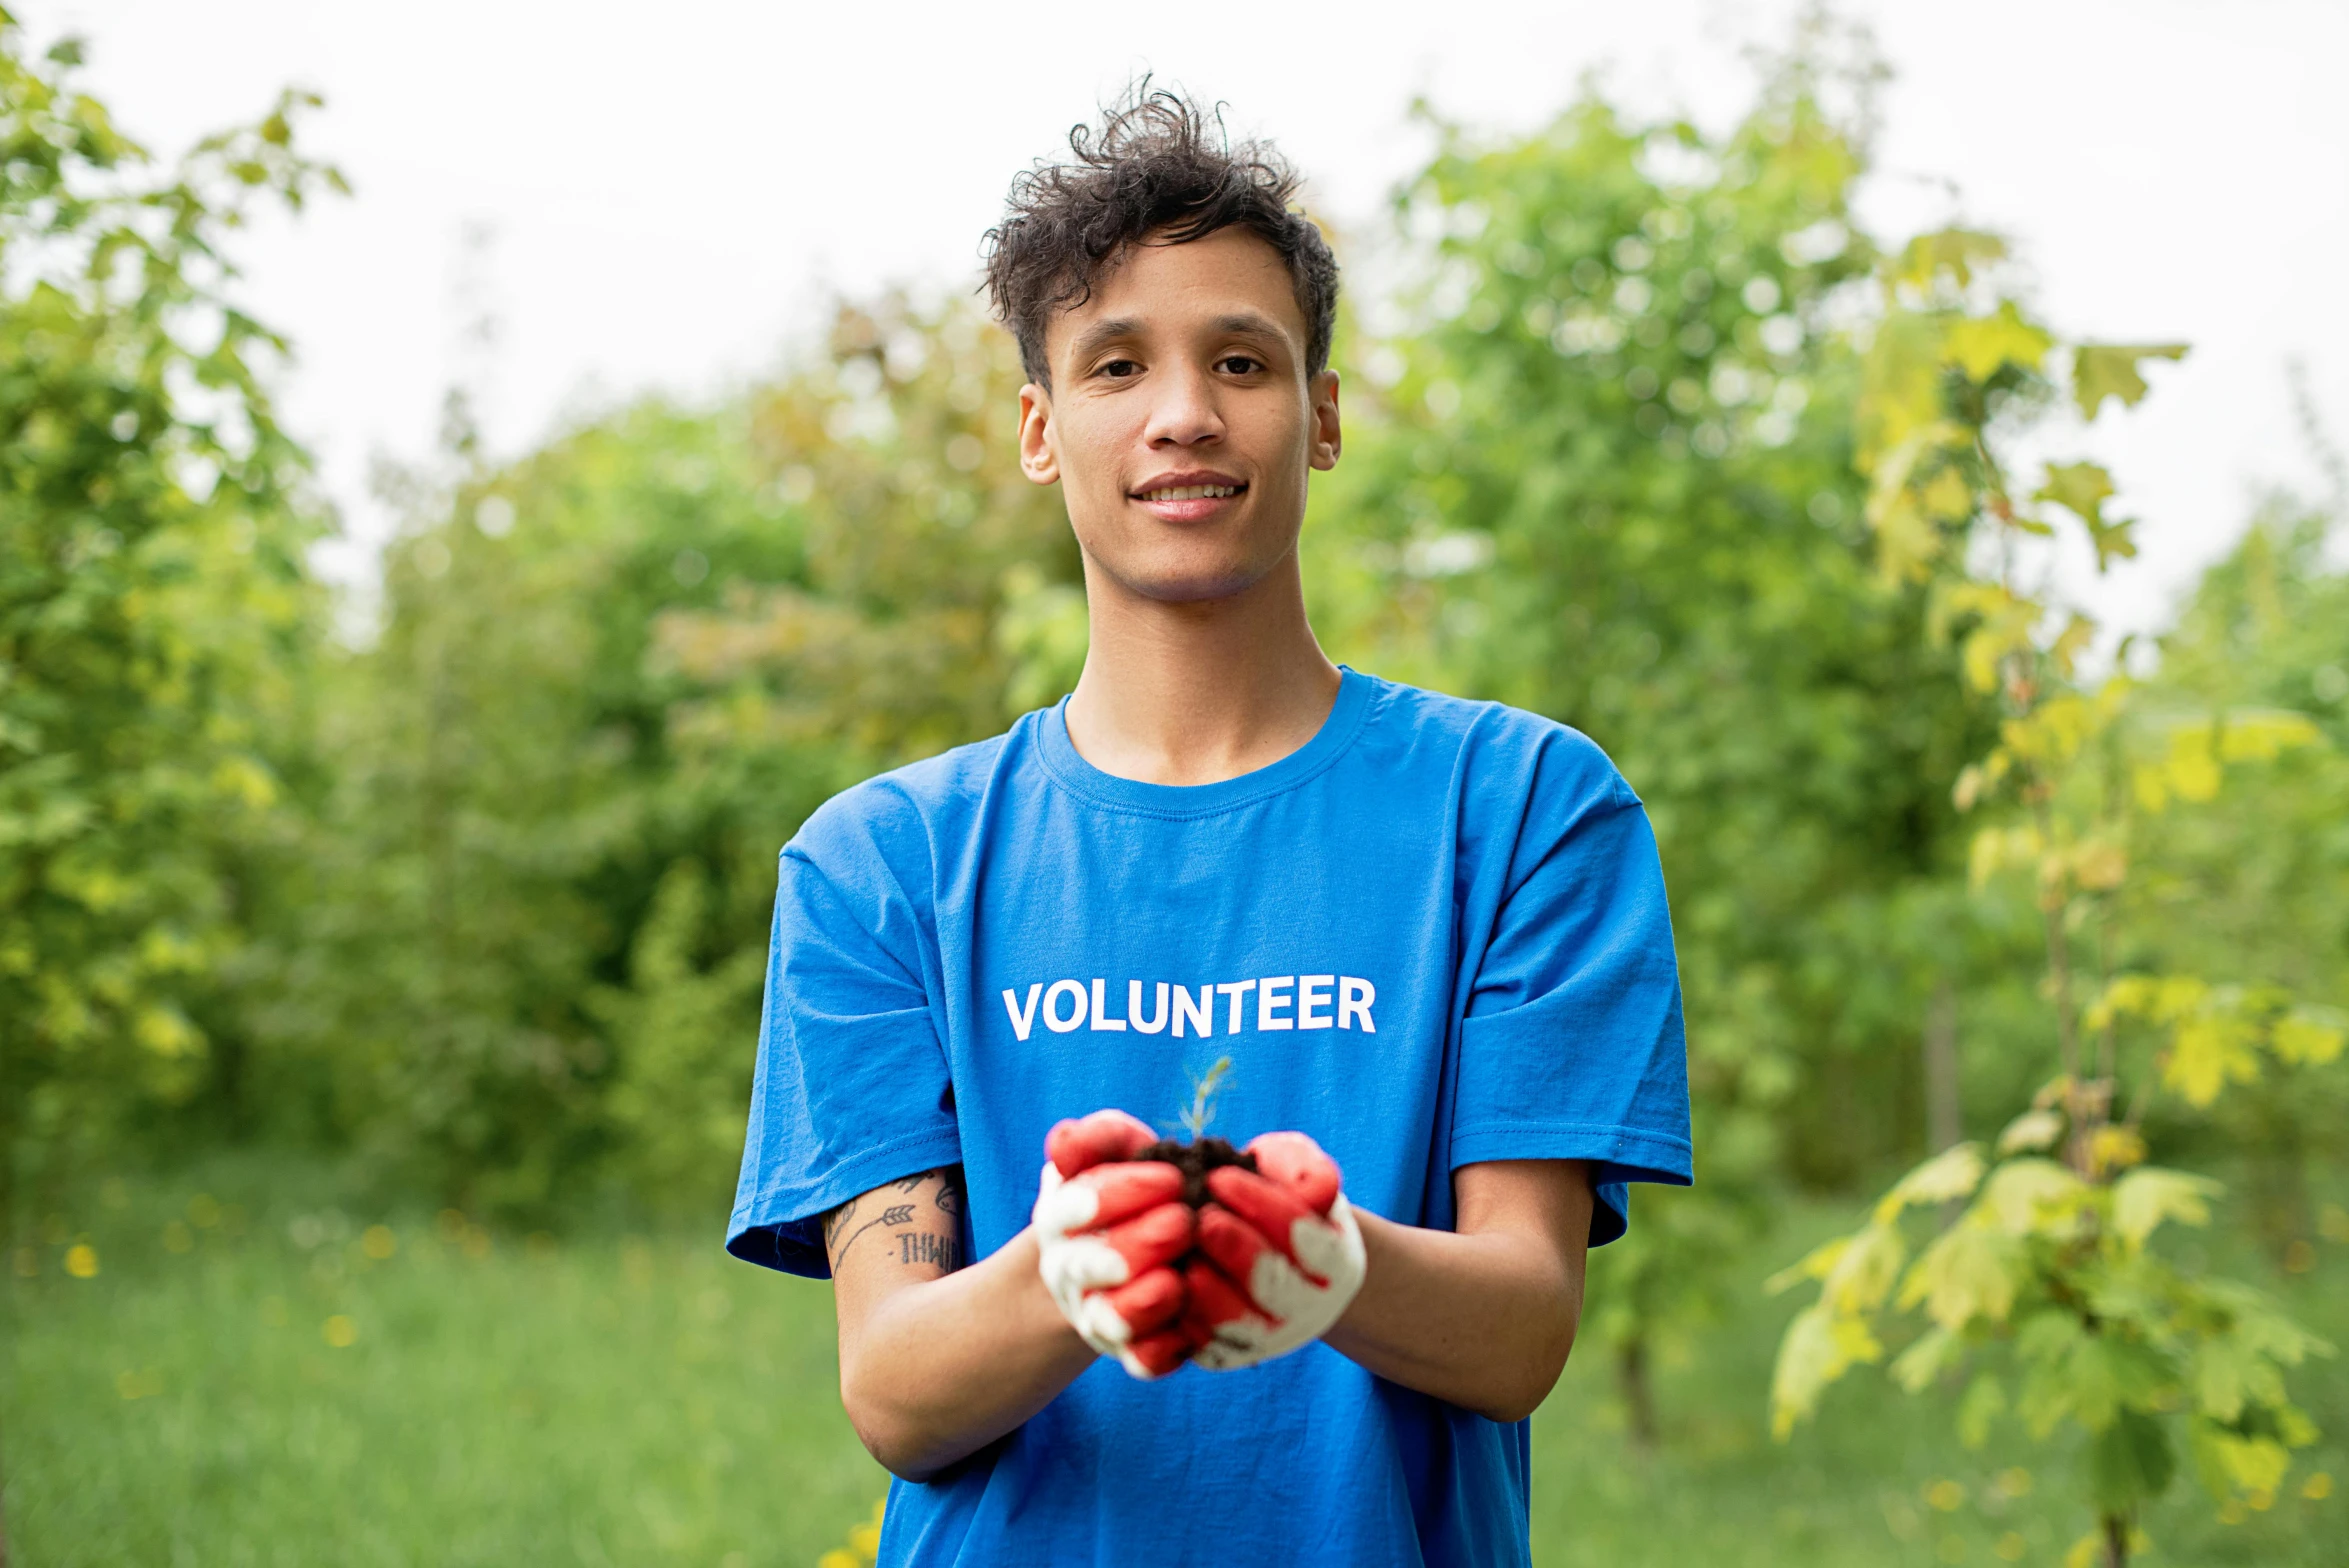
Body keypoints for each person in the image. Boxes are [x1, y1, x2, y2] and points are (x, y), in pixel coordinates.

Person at [727, 88, 1691, 1567]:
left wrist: (1318, 1259)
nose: (1184, 410)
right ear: (1043, 431)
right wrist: (1080, 1262)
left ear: (1323, 417)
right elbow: (898, 1392)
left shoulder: (1524, 810)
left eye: (1241, 358)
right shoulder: (880, 866)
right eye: (1118, 365)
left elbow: (1520, 1332)